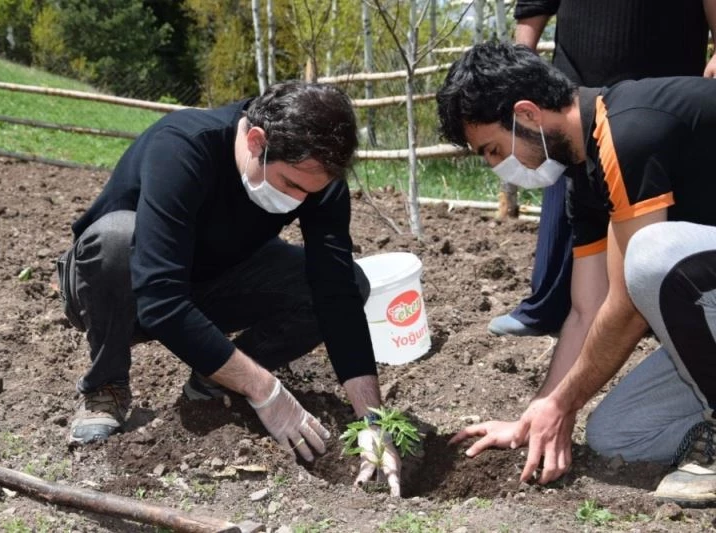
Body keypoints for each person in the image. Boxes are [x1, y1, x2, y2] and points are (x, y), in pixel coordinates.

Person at [56, 81, 402, 496]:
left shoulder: (315, 177)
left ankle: (217, 378)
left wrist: (374, 421)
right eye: (291, 185)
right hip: (118, 291)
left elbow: (337, 294)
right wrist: (266, 390)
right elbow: (159, 298)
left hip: (212, 282)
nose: (299, 201)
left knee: (349, 281)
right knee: (115, 239)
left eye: (311, 192)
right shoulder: (184, 146)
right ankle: (105, 386)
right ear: (257, 141)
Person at [437, 41, 716, 506]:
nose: (497, 167)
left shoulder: (630, 128)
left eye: (493, 150)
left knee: (649, 255)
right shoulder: (581, 176)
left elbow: (627, 305)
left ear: (526, 114)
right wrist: (538, 413)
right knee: (618, 434)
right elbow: (587, 311)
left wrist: (565, 403)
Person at [488, 0, 716, 337]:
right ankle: (549, 307)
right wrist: (522, 58)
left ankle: (663, 310)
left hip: (663, 76)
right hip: (577, 83)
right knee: (574, 192)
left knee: (666, 221)